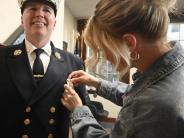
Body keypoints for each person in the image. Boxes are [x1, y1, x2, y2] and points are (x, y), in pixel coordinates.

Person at [61, 0, 184, 138]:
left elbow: (143, 101)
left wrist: (78, 109)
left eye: (102, 49)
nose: (105, 57)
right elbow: (136, 94)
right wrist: (96, 82)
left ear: (129, 43)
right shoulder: (173, 71)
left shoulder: (152, 104)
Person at [0, 0, 88, 137]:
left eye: (46, 10)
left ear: (55, 23)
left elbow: (82, 109)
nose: (39, 14)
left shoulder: (73, 62)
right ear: (22, 20)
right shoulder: (2, 56)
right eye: (32, 9)